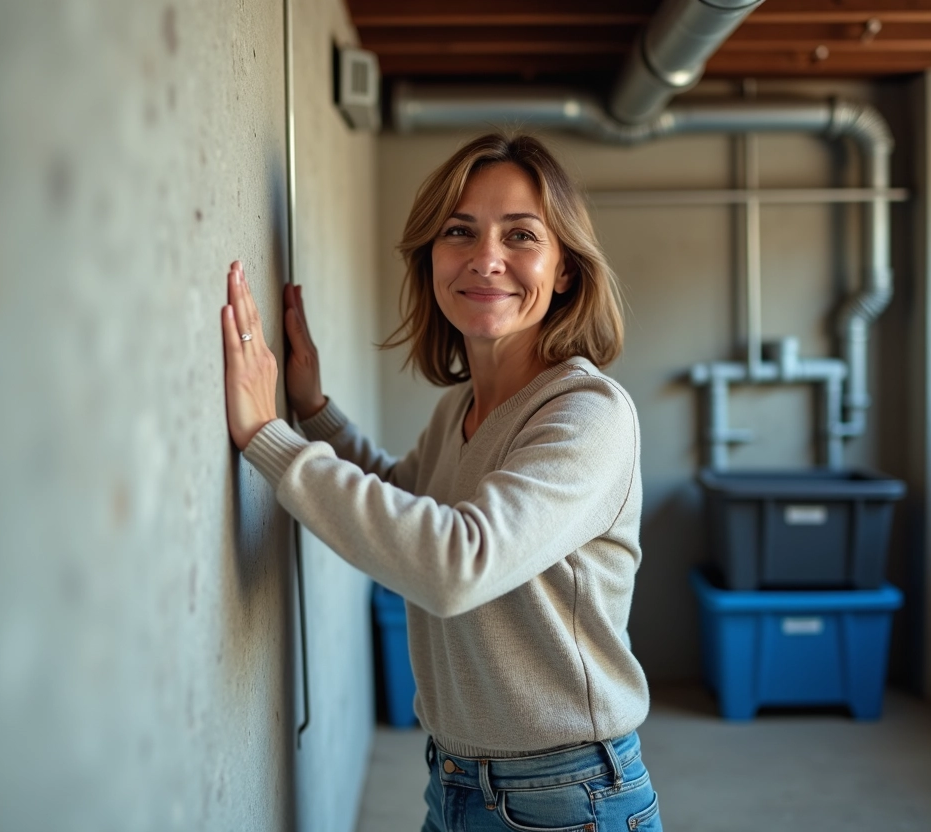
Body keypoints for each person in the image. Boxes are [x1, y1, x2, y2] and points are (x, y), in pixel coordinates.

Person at [221, 133, 660, 831]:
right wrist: (311, 411)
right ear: (431, 259)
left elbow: (454, 562)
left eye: (522, 235)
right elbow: (407, 499)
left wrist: (266, 441)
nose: (487, 258)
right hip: (455, 780)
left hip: (567, 798)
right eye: (460, 232)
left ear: (567, 269)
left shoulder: (589, 414)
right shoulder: (459, 406)